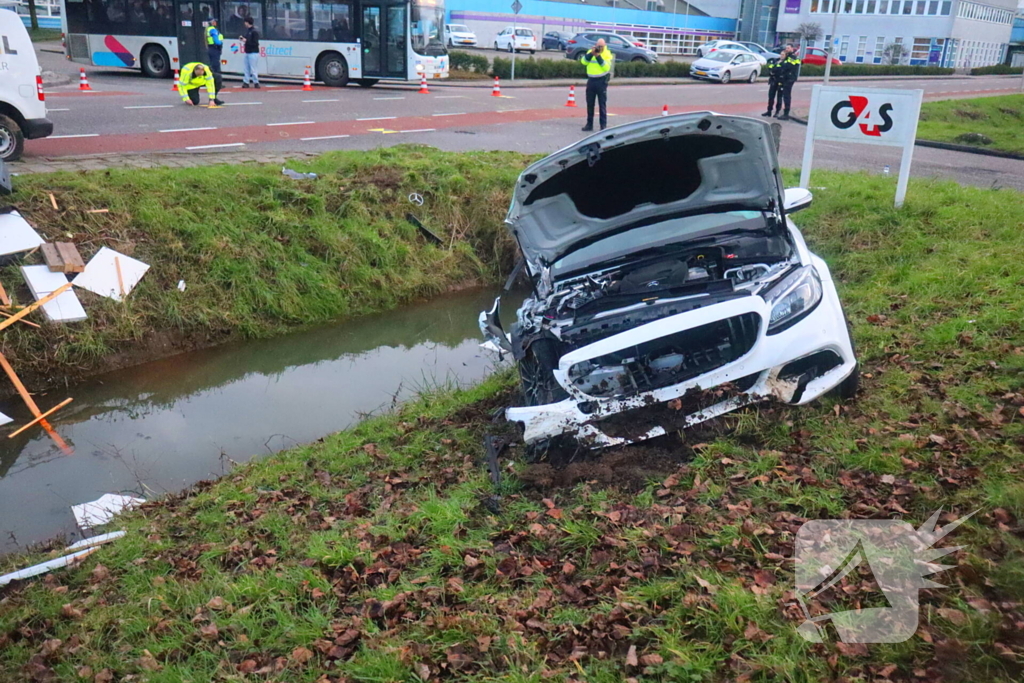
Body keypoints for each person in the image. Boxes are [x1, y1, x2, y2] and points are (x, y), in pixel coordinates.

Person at [579, 38, 613, 132]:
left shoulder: (607, 54)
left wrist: (598, 56)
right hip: (591, 80)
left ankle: (603, 125)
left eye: (601, 46)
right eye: (598, 46)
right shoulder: (591, 51)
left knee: (602, 104)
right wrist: (591, 54)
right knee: (590, 103)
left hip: (601, 81)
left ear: (604, 46)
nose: (599, 48)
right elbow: (583, 62)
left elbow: (606, 68)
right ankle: (589, 124)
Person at [776, 46, 801, 121]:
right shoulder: (789, 57)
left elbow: (787, 66)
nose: (787, 49)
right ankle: (785, 113)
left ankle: (786, 114)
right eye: (786, 48)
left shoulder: (792, 57)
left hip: (789, 78)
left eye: (788, 48)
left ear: (792, 49)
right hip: (787, 78)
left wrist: (781, 63)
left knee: (786, 95)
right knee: (785, 95)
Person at [240, 17, 261, 88]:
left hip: (253, 52)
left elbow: (255, 43)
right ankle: (246, 82)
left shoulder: (254, 32)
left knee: (253, 68)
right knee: (246, 68)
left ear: (247, 22)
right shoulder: (248, 31)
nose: (244, 23)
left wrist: (246, 41)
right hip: (247, 52)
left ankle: (256, 82)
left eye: (245, 22)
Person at [205, 17, 224, 94]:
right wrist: (221, 42)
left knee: (213, 65)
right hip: (215, 49)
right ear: (212, 22)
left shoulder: (208, 29)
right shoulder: (213, 30)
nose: (215, 22)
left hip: (211, 48)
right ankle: (217, 83)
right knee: (216, 66)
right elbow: (217, 41)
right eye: (214, 21)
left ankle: (213, 82)